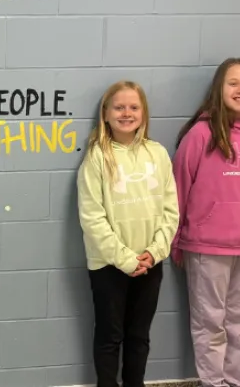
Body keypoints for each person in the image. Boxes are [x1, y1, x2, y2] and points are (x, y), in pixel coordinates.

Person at [77, 80, 179, 387]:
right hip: (109, 265)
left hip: (150, 262)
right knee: (110, 337)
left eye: (134, 107)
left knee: (139, 337)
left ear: (144, 113)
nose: (126, 113)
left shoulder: (158, 154)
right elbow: (92, 218)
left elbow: (171, 210)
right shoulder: (97, 157)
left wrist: (156, 252)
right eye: (119, 107)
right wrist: (125, 259)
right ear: (105, 113)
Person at [172, 57, 240, 387]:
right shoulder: (201, 135)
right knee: (210, 323)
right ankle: (214, 384)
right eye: (233, 83)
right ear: (218, 88)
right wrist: (174, 241)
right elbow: (178, 192)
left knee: (237, 322)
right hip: (207, 247)